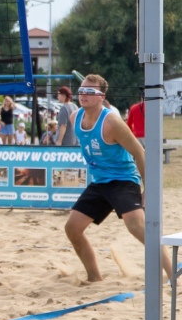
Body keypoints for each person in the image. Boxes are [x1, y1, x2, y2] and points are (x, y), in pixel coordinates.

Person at [64, 75, 171, 283]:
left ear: (102, 97)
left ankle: (173, 277)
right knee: (72, 229)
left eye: (90, 91)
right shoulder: (75, 117)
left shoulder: (112, 122)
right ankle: (94, 278)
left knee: (137, 227)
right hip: (100, 182)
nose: (83, 94)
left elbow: (140, 153)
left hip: (123, 180)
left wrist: (148, 190)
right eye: (81, 90)